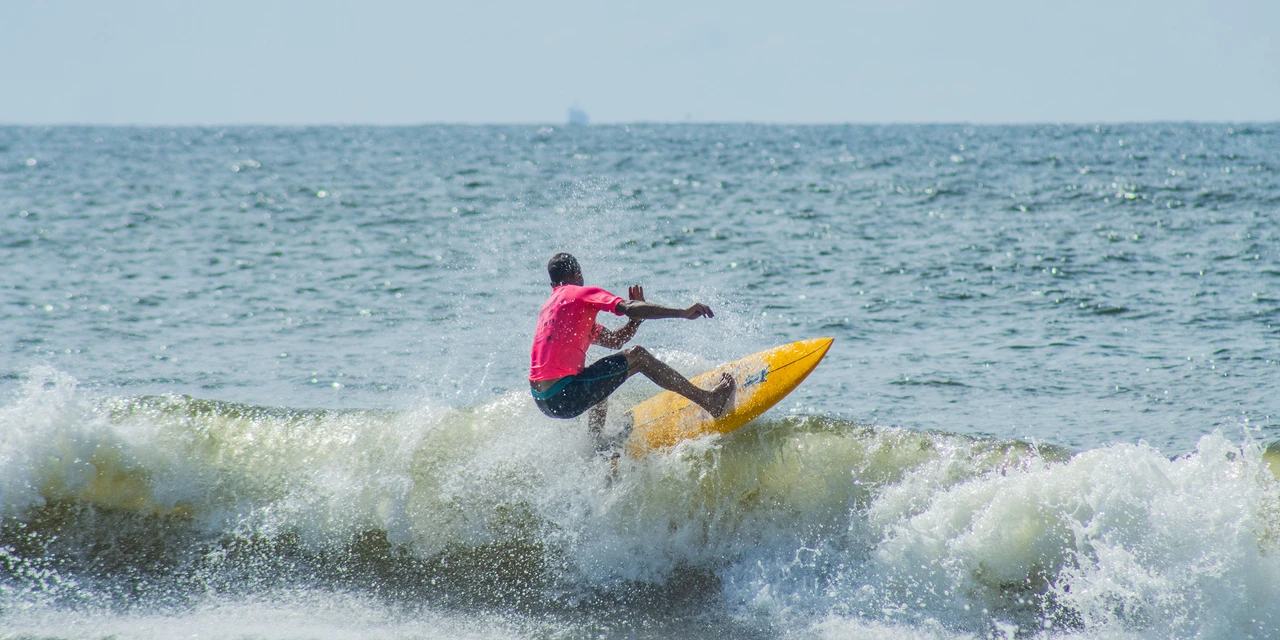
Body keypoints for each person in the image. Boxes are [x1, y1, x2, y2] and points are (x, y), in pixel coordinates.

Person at [529, 253, 734, 438]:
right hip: (564, 395)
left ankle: (596, 442)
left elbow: (614, 341)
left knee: (597, 376)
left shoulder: (550, 307)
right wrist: (682, 312)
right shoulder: (579, 294)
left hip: (544, 401)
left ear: (552, 284)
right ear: (578, 274)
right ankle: (710, 402)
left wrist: (635, 320)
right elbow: (627, 307)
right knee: (638, 357)